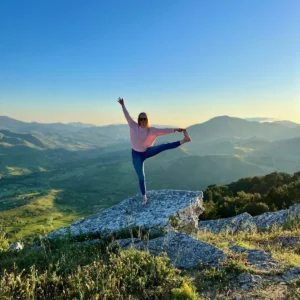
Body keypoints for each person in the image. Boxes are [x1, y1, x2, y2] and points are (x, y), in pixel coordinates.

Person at [118, 97, 192, 206]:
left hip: (146, 151)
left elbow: (164, 130)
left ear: (147, 120)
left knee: (163, 146)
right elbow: (127, 115)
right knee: (141, 177)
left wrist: (176, 130)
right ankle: (144, 198)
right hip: (136, 155)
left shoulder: (152, 130)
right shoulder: (133, 126)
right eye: (141, 119)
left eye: (144, 119)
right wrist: (123, 105)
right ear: (139, 120)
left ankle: (185, 140)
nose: (143, 121)